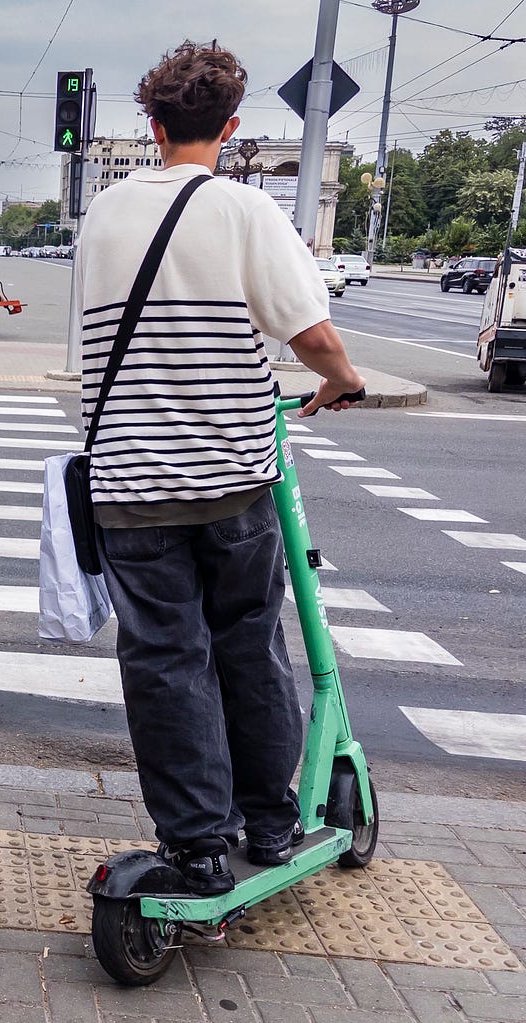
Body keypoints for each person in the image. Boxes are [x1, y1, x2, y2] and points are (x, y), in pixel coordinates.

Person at [69, 42, 365, 893]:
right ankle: (271, 825)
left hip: (129, 487)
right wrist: (343, 382)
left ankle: (195, 844)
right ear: (231, 129)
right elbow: (311, 335)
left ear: (151, 126)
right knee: (248, 647)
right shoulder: (244, 211)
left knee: (165, 661)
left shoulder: (104, 217)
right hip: (233, 480)